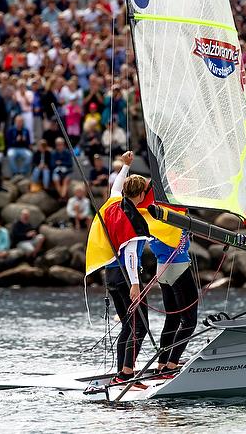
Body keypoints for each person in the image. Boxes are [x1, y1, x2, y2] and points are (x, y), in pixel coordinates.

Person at [92, 151, 152, 387]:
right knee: (139, 325)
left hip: (111, 274)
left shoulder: (115, 203)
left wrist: (125, 167)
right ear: (140, 194)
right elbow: (129, 254)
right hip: (127, 276)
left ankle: (123, 372)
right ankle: (127, 374)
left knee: (129, 323)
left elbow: (116, 187)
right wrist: (136, 285)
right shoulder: (133, 218)